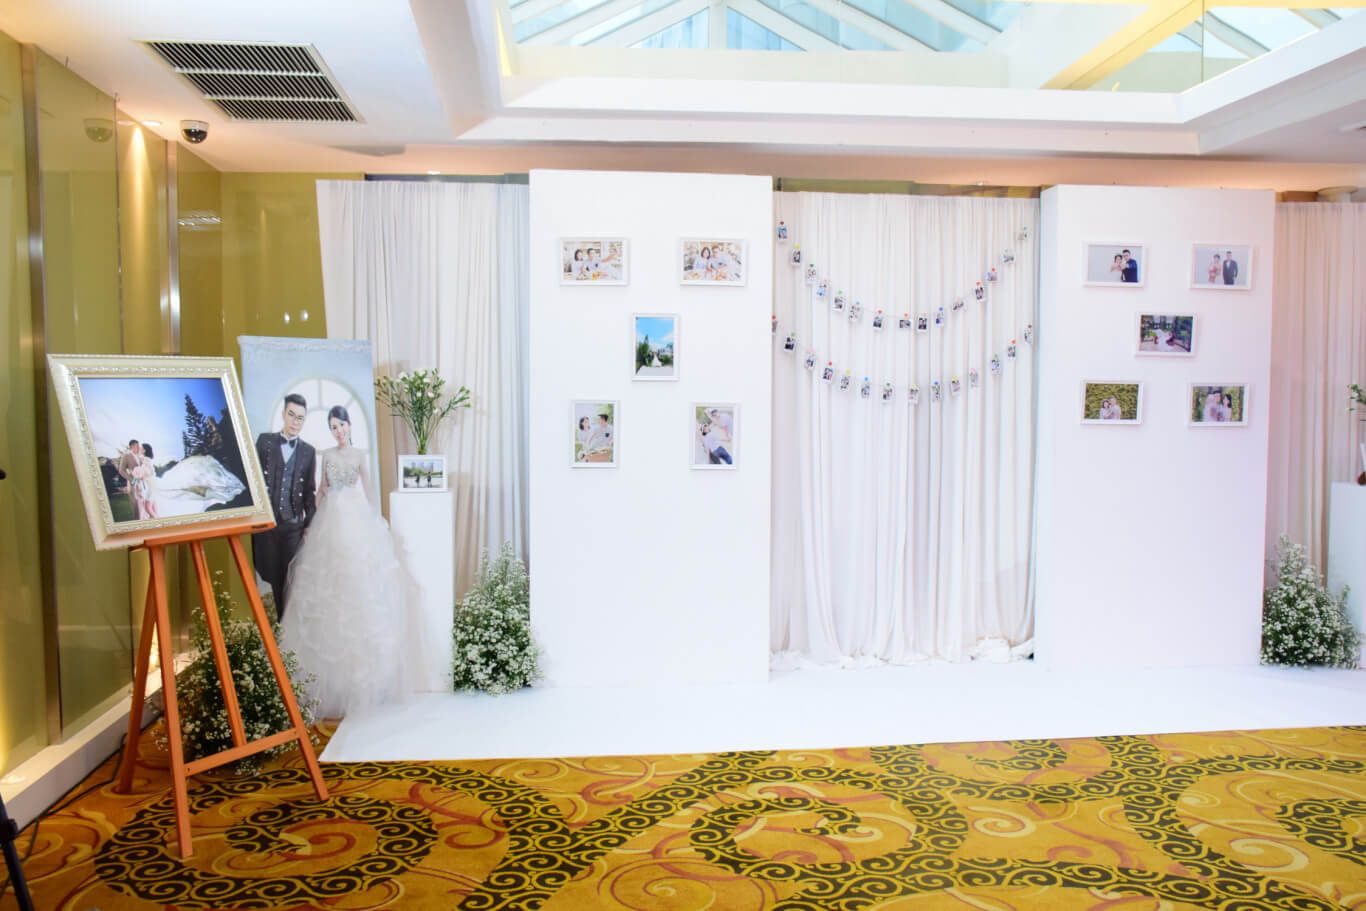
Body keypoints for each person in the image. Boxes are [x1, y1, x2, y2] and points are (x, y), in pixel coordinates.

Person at [280, 405, 420, 718]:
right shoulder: (327, 455)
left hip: (355, 517)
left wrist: (377, 520)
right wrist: (309, 520)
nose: (338, 431)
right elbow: (321, 489)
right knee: (326, 581)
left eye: (341, 425)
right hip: (331, 518)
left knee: (360, 583)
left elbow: (369, 491)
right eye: (333, 427)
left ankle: (365, 681)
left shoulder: (358, 456)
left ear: (349, 425)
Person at [252, 393, 317, 620]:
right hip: (267, 526)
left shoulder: (308, 451)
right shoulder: (265, 442)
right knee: (271, 575)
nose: (295, 422)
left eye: (300, 418)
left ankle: (287, 627)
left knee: (290, 579)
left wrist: (309, 524)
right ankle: (279, 627)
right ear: (283, 414)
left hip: (293, 526)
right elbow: (253, 479)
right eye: (291, 415)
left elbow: (309, 492)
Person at [132, 443, 160, 519]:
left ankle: (158, 522)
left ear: (144, 450)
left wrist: (138, 473)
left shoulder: (146, 460)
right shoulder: (146, 459)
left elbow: (150, 472)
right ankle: (155, 521)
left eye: (141, 448)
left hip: (151, 486)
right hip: (151, 485)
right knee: (150, 507)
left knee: (147, 507)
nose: (139, 449)